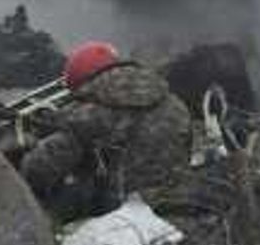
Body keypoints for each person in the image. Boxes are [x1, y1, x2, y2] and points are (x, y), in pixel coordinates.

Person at [20, 41, 198, 225]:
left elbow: (38, 170)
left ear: (83, 81)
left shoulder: (90, 114)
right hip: (180, 197)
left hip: (129, 212)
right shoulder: (172, 101)